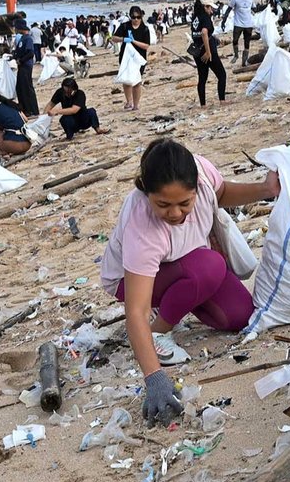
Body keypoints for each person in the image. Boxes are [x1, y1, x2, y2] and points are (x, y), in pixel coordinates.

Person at [100, 139, 280, 426]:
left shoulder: (202, 174)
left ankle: (182, 295)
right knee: (209, 267)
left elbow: (222, 193)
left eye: (185, 203)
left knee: (239, 316)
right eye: (163, 204)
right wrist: (154, 377)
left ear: (196, 187)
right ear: (147, 194)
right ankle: (158, 330)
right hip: (131, 280)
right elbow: (136, 310)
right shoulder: (143, 227)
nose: (174, 214)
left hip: (188, 263)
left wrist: (266, 189)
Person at [190, 0, 227, 109]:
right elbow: (204, 33)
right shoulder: (205, 17)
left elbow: (196, 34)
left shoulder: (195, 17)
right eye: (210, 7)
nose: (211, 10)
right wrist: (208, 51)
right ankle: (222, 100)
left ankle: (203, 104)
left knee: (202, 78)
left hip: (197, 50)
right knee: (222, 74)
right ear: (205, 7)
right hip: (207, 50)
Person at [43, 78, 109, 141]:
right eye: (66, 90)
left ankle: (98, 129)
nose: (67, 93)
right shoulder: (60, 93)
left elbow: (74, 110)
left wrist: (57, 111)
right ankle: (69, 136)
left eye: (69, 90)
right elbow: (51, 104)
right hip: (71, 119)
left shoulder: (80, 94)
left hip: (83, 118)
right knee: (64, 120)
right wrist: (43, 117)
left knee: (91, 111)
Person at [112, 5, 151, 111]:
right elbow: (114, 38)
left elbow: (146, 45)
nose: (136, 20)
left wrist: (133, 41)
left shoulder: (145, 29)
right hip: (126, 57)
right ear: (130, 17)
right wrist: (124, 39)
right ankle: (129, 101)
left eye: (138, 17)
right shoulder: (125, 26)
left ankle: (136, 104)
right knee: (127, 80)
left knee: (137, 81)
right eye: (134, 17)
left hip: (139, 58)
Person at [221, 0, 255, 66]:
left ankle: (244, 62)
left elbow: (254, 9)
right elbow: (228, 10)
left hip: (248, 24)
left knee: (247, 43)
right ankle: (236, 55)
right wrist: (223, 21)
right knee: (235, 40)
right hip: (238, 24)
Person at [13, 18, 39, 118]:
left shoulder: (27, 38)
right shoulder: (22, 38)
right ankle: (24, 108)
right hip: (22, 65)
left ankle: (31, 110)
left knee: (26, 87)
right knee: (20, 87)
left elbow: (30, 53)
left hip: (26, 66)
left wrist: (21, 60)